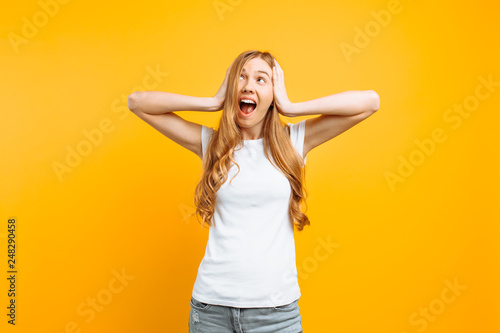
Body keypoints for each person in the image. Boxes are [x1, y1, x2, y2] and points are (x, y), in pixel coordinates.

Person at [127, 50, 380, 333]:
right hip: (211, 311)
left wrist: (292, 107)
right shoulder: (211, 145)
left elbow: (370, 102)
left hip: (276, 314)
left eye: (262, 79)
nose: (248, 85)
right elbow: (137, 103)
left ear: (273, 93)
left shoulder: (294, 141)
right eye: (241, 77)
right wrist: (213, 103)